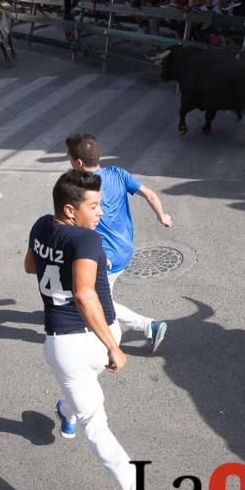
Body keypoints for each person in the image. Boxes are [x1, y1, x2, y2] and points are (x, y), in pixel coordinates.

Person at [24, 169, 169, 490]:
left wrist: (67, 260)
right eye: (93, 206)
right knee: (98, 427)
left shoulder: (42, 225)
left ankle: (64, 409)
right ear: (71, 210)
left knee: (80, 397)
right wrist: (113, 347)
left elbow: (30, 265)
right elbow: (85, 295)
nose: (100, 213)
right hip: (83, 343)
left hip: (65, 351)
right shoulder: (86, 240)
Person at [65, 134, 171, 351]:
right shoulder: (118, 173)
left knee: (100, 301)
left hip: (105, 257)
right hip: (126, 248)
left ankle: (149, 326)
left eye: (68, 156)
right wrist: (163, 216)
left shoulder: (80, 188)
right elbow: (149, 194)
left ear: (78, 162)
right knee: (93, 295)